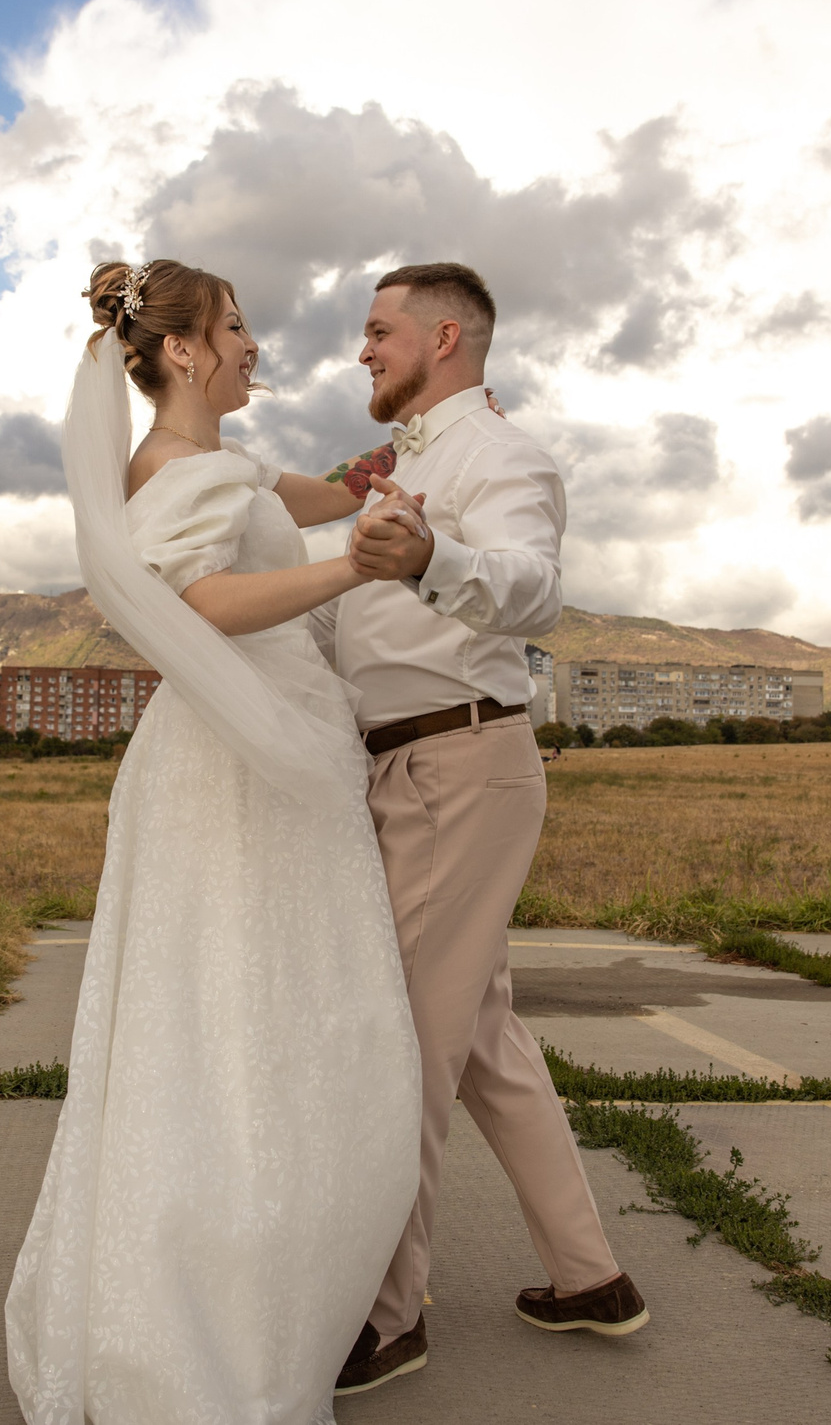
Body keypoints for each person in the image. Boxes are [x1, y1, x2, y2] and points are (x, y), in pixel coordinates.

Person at [6, 259, 424, 1425]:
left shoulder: (214, 466)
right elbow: (201, 603)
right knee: (243, 1023)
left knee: (254, 1018)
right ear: (183, 351)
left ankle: (249, 1280)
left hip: (257, 752)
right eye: (238, 330)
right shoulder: (173, 473)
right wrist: (359, 561)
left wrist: (369, 479)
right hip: (240, 775)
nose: (254, 348)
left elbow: (290, 496)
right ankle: (208, 1315)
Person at [320, 262, 648, 1399]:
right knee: (484, 1042)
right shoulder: (404, 461)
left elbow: (531, 588)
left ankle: (388, 1315)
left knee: (405, 1046)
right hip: (415, 763)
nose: (360, 351)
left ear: (443, 336)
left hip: (456, 764)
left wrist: (432, 560)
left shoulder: (502, 457)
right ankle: (587, 1275)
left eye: (376, 331)